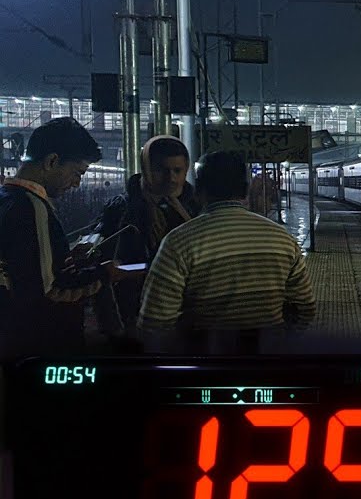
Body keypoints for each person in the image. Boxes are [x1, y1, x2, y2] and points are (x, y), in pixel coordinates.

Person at [137, 151, 316, 354]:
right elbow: (305, 307)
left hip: (205, 363)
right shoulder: (282, 238)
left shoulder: (179, 242)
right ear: (246, 190)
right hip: (268, 361)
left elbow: (155, 322)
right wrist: (280, 342)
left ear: (199, 190)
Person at [0, 117, 121, 356]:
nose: (76, 183)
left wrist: (66, 258)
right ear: (52, 161)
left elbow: (25, 268)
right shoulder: (32, 207)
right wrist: (104, 274)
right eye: (77, 172)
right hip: (40, 347)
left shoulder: (7, 197)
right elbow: (49, 290)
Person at [92, 136, 199, 344]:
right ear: (147, 169)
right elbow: (104, 265)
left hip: (186, 313)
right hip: (132, 312)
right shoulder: (123, 209)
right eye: (162, 170)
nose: (171, 178)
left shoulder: (194, 208)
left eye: (177, 171)